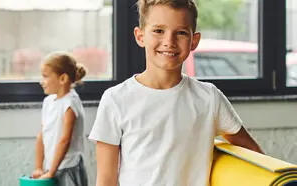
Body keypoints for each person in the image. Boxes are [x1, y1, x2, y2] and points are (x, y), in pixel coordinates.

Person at [87, 0, 264, 185]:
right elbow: (106, 179)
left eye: (180, 33)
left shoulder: (209, 98)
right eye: (158, 31)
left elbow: (255, 155)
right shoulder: (116, 99)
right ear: (140, 36)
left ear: (194, 41)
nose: (169, 42)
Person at [31, 51, 89, 186]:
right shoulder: (48, 102)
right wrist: (39, 167)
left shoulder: (70, 102)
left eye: (45, 76)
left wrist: (51, 172)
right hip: (52, 167)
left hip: (69, 168)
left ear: (62, 79)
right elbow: (41, 135)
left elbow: (65, 140)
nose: (41, 82)